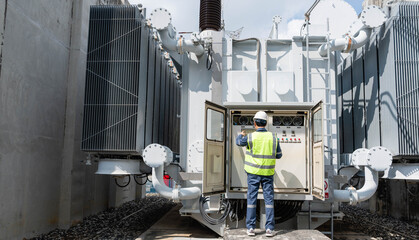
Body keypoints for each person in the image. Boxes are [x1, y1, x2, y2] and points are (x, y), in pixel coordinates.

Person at [236, 111, 282, 237]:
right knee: (269, 200)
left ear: (254, 123)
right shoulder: (274, 137)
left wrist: (241, 135)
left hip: (253, 173)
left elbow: (239, 143)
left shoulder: (250, 137)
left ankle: (250, 228)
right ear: (266, 123)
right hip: (268, 173)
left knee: (251, 199)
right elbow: (279, 155)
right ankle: (269, 229)